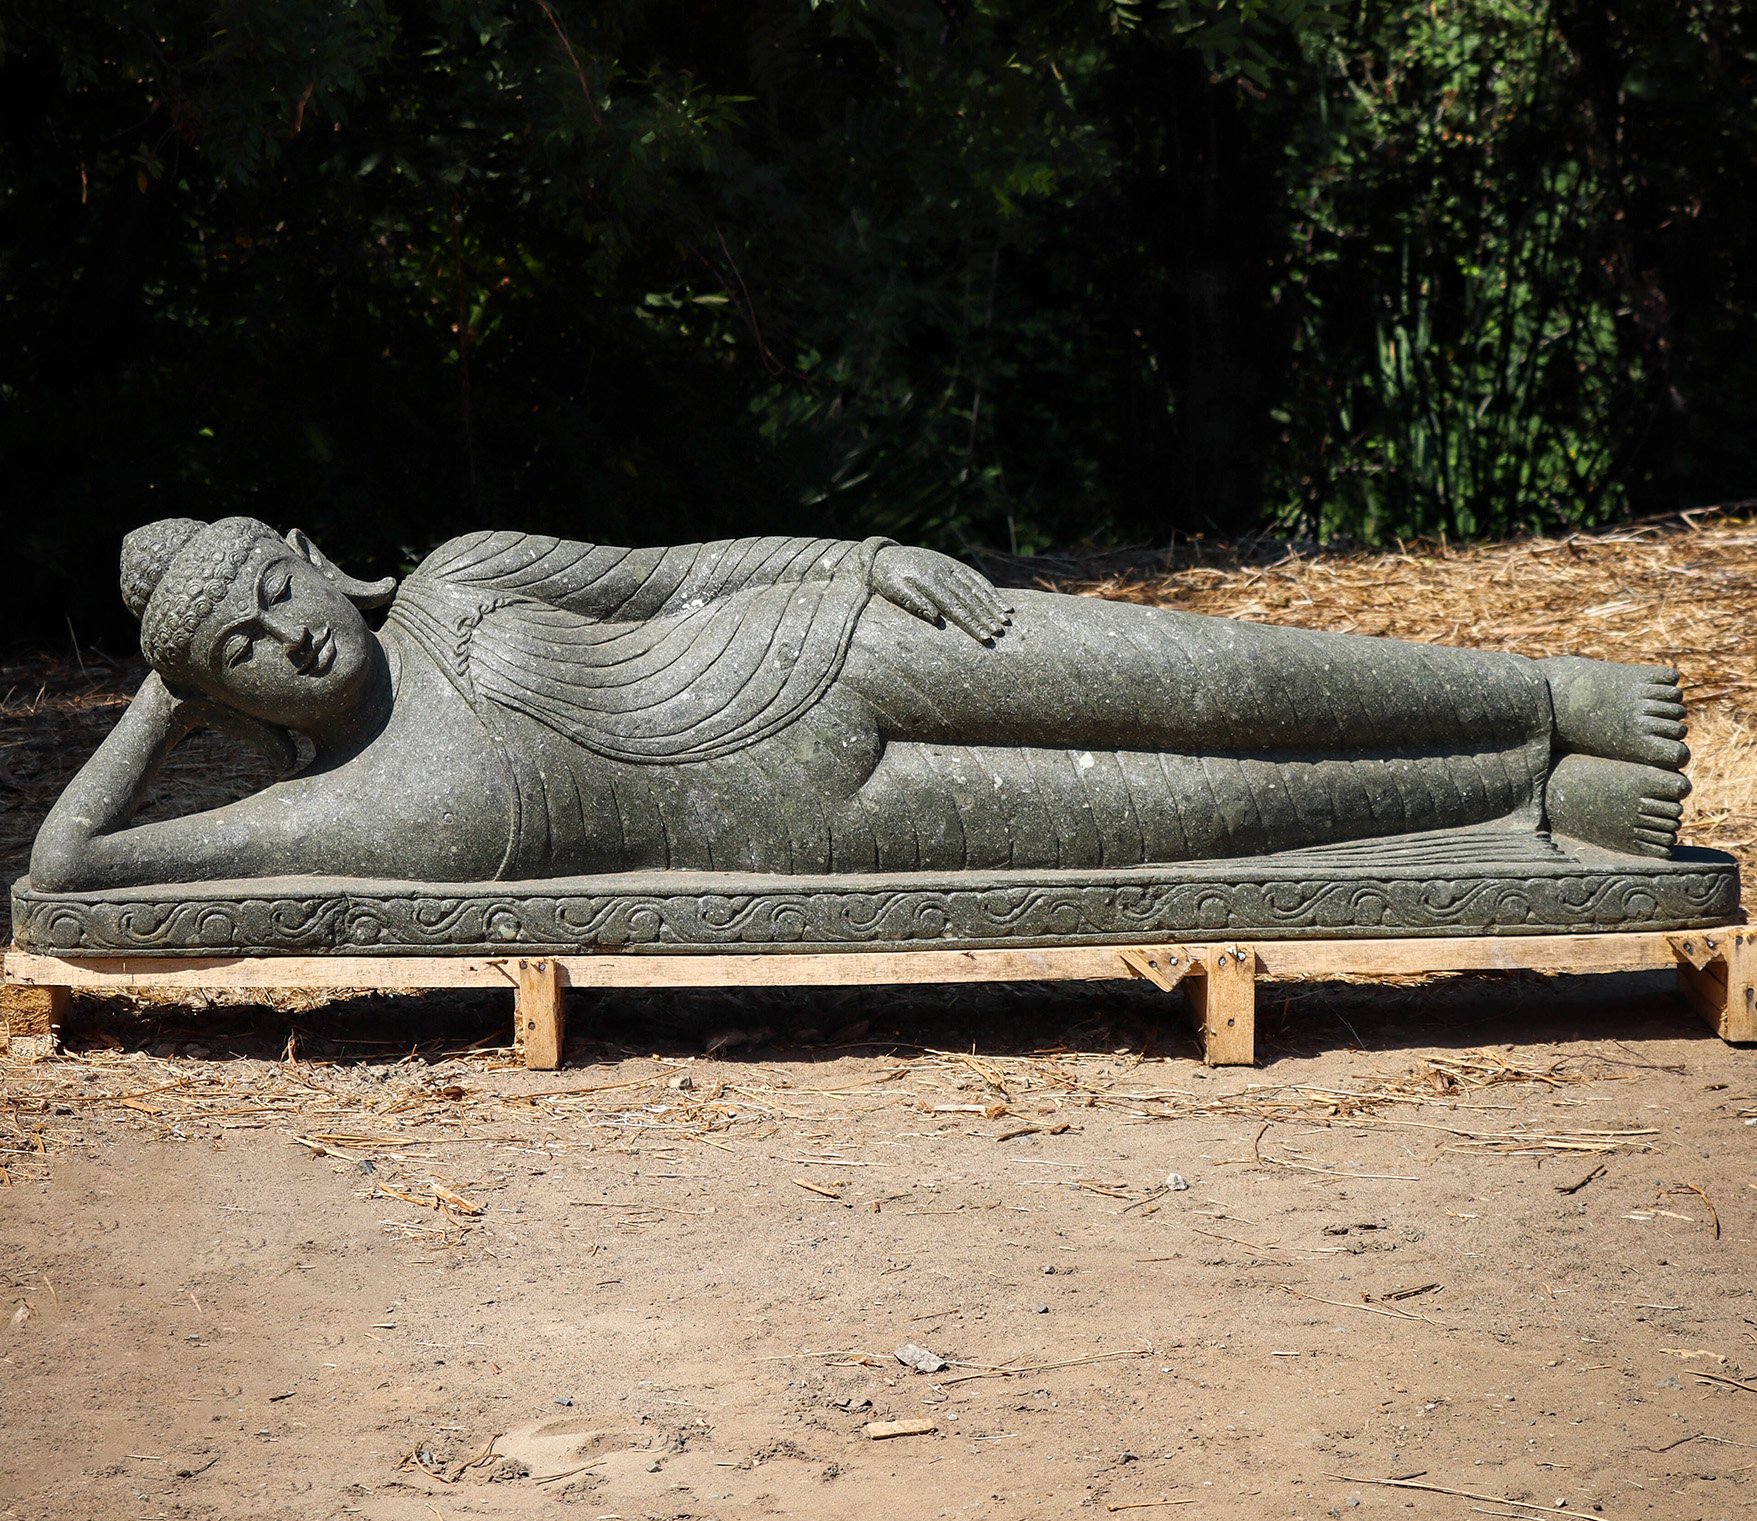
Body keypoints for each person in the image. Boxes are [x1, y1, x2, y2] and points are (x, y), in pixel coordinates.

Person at [29, 517, 1691, 892]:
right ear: (214, 696)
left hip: (825, 645)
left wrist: (865, 552)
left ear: (320, 561)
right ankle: (1527, 800)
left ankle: (1546, 687)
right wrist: (155, 703)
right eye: (237, 654)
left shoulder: (463, 576)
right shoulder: (346, 809)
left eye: (277, 596)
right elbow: (67, 876)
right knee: (1195, 821)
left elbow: (676, 576)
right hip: (810, 825)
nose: (289, 640)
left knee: (1202, 676)